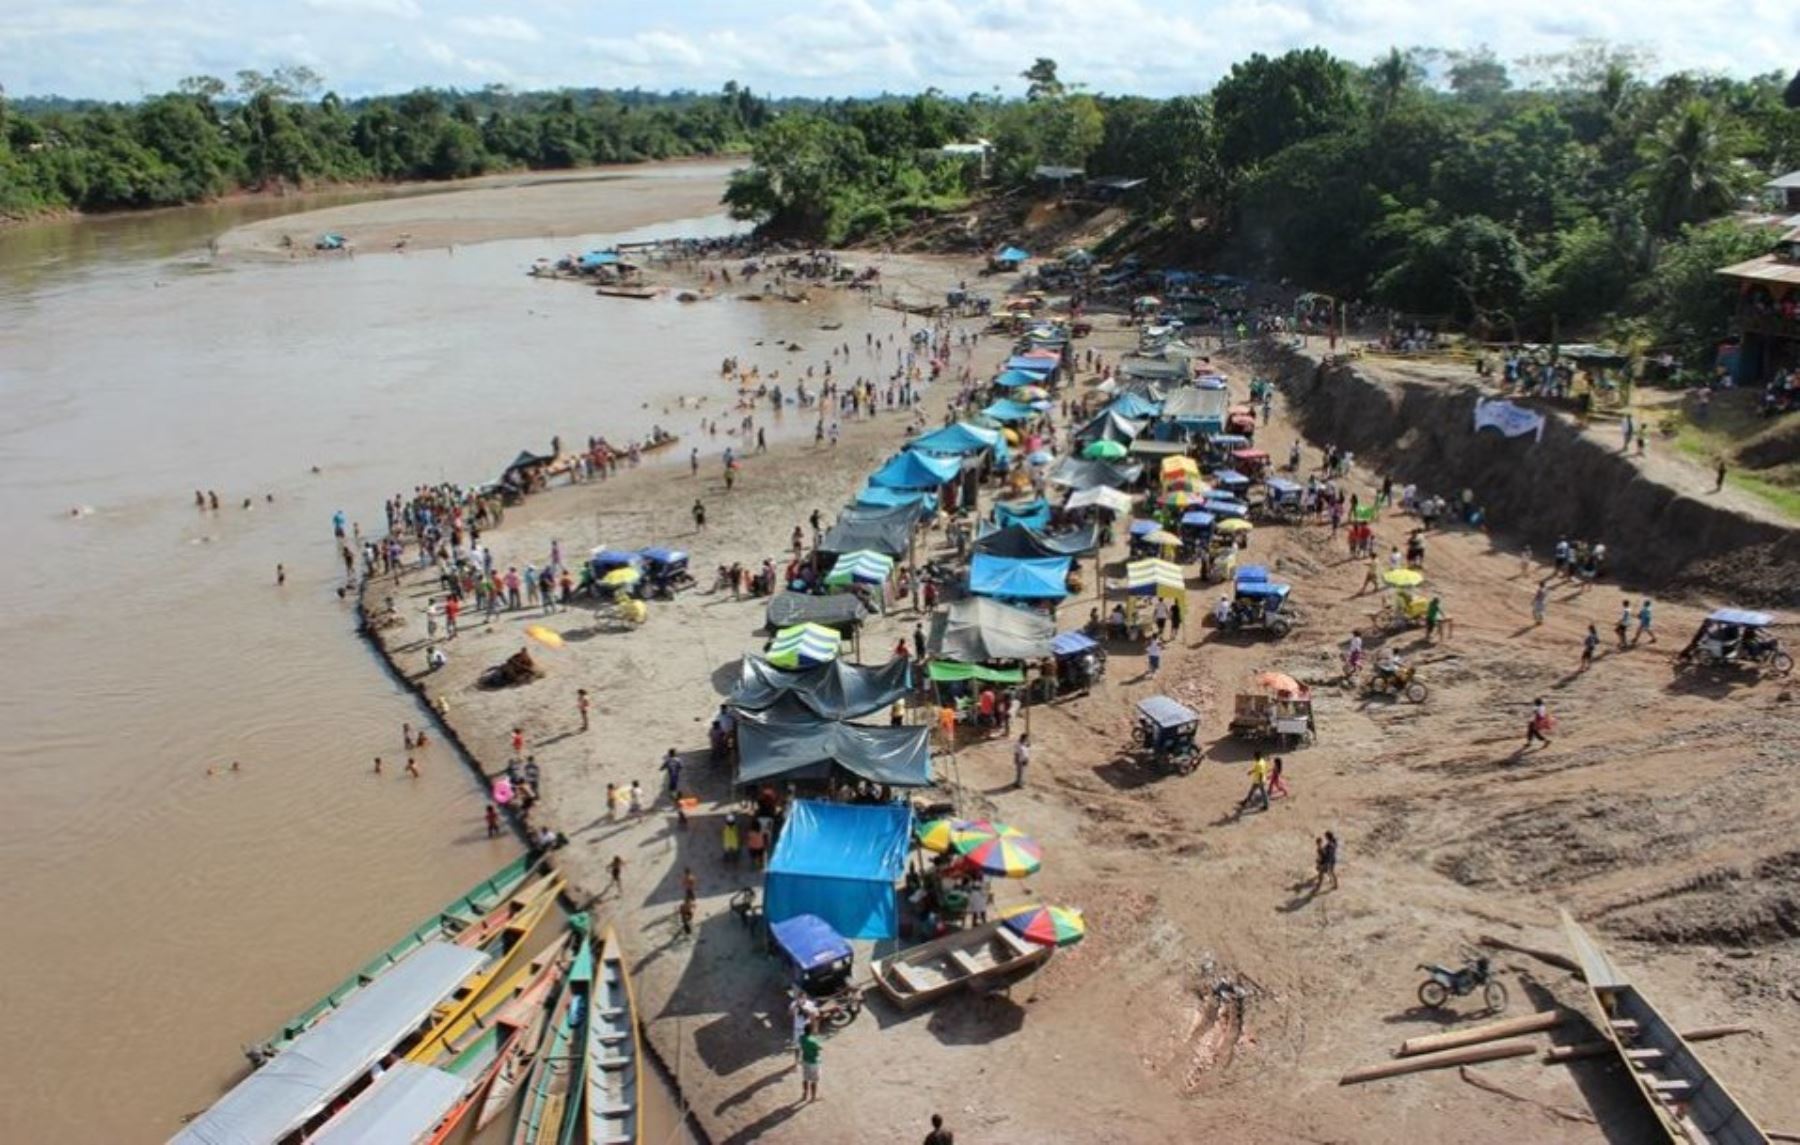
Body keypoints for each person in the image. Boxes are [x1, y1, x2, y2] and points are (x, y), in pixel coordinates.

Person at [798, 1028, 822, 1102]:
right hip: (814, 1062)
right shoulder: (814, 1040)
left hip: (805, 1060)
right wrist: (816, 1038)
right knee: (814, 1081)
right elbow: (819, 1048)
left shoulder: (801, 1037)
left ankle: (805, 1094)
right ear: (811, 1031)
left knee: (805, 1078)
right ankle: (813, 1097)